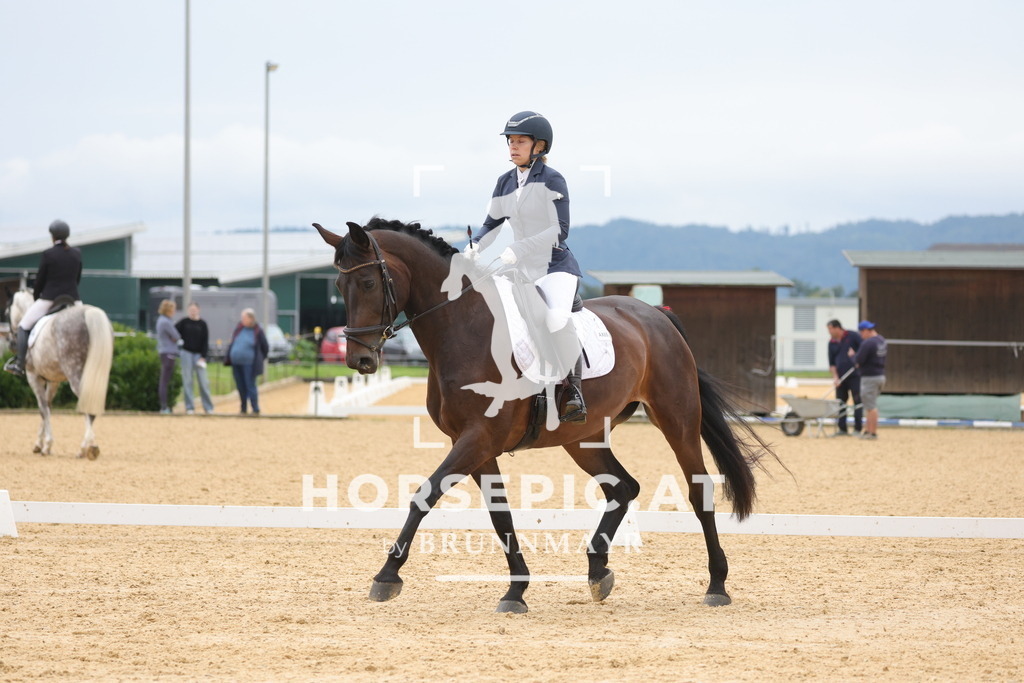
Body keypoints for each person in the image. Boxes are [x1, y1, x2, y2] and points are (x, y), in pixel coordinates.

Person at [465, 110, 587, 423]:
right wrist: (475, 244)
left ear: (539, 145)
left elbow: (559, 229)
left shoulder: (552, 180)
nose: (513, 147)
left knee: (556, 318)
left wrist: (520, 247)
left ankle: (573, 392)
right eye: (510, 141)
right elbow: (491, 224)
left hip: (554, 266)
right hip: (518, 268)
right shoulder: (504, 182)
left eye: (520, 141)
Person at [4, 220, 82, 377]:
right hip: (73, 299)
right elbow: (77, 279)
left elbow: (40, 281)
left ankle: (19, 364)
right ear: (67, 235)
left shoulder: (49, 254)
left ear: (52, 236)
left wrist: (37, 296)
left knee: (23, 326)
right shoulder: (77, 253)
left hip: (50, 298)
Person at [224, 308, 269, 415]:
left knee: (250, 385)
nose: (242, 320)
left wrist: (259, 359)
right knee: (240, 386)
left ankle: (255, 408)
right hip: (236, 363)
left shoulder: (258, 331)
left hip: (249, 364)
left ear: (251, 318)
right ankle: (243, 408)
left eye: (244, 318)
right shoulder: (239, 328)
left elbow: (265, 347)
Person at [175, 301, 215, 415]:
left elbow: (205, 342)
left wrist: (203, 356)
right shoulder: (184, 322)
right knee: (187, 380)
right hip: (186, 353)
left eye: (194, 309)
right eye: (191, 310)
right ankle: (189, 407)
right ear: (188, 310)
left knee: (203, 381)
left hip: (198, 355)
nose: (193, 312)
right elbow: (173, 332)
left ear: (198, 310)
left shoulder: (202, 324)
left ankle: (208, 407)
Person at [852, 320, 887, 440]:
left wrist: (852, 356)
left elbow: (859, 360)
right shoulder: (881, 340)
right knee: (869, 404)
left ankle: (872, 432)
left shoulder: (868, 343)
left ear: (866, 331)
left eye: (862, 332)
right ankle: (868, 430)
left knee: (871, 407)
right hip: (880, 375)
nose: (861, 335)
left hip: (870, 377)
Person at [826, 319, 862, 436]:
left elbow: (863, 351)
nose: (829, 332)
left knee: (857, 401)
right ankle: (842, 429)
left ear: (837, 328)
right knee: (841, 402)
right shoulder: (831, 343)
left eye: (830, 329)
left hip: (855, 376)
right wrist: (835, 377)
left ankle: (857, 429)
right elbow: (832, 363)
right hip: (841, 378)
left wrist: (856, 357)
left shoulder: (853, 336)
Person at [155, 299, 181, 414]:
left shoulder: (161, 320)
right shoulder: (166, 322)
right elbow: (176, 336)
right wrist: (174, 338)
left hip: (164, 351)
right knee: (165, 381)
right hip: (168, 352)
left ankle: (165, 406)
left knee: (164, 380)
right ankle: (164, 406)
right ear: (169, 310)